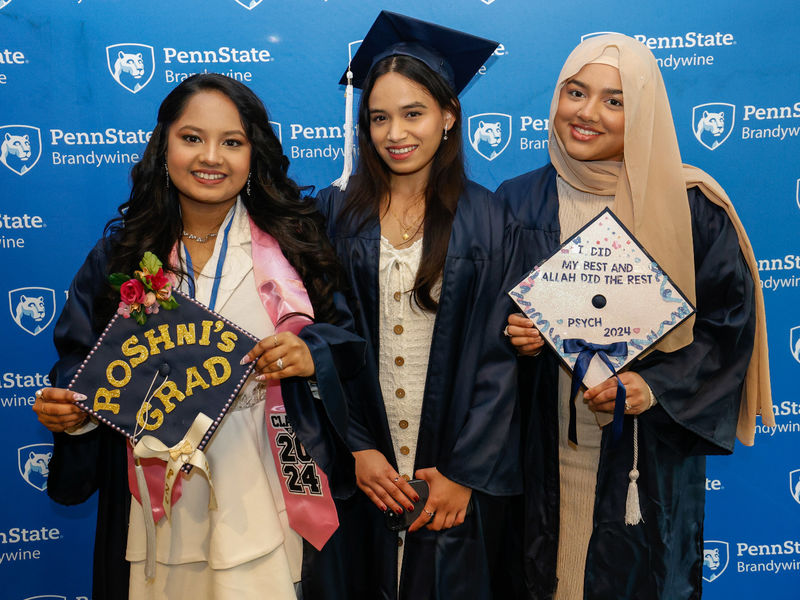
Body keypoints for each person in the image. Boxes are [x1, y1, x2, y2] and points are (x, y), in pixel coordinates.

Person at [32, 73, 364, 600]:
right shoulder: (120, 260)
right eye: (192, 138)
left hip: (269, 487)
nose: (211, 157)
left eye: (232, 142)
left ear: (254, 154)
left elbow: (347, 344)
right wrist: (70, 414)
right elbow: (78, 367)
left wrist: (311, 354)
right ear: (163, 145)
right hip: (155, 507)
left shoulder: (295, 249)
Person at [497, 34, 773, 599]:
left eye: (615, 100)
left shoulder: (690, 203)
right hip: (541, 453)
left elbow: (727, 329)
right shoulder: (516, 201)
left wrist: (654, 384)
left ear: (644, 111)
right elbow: (476, 325)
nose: (587, 113)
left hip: (642, 461)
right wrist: (515, 337)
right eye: (576, 92)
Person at [311, 11, 520, 600]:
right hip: (365, 464)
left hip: (453, 465)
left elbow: (498, 358)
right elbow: (325, 339)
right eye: (379, 117)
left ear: (449, 116)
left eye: (413, 113)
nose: (395, 133)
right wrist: (358, 448)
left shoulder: (489, 218)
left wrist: (463, 473)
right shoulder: (335, 214)